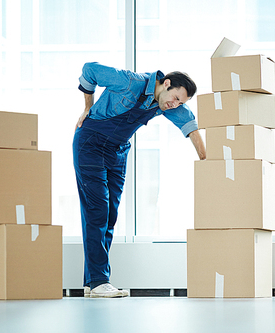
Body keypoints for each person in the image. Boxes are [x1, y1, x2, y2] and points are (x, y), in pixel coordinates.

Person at [73, 62, 206, 298]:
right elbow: (90, 69)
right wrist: (87, 107)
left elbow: (190, 126)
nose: (174, 104)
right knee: (97, 211)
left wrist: (208, 162)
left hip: (117, 152)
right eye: (175, 97)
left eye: (180, 102)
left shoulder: (166, 103)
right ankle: (99, 281)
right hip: (90, 144)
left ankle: (91, 282)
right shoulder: (130, 81)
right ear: (166, 84)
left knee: (110, 215)